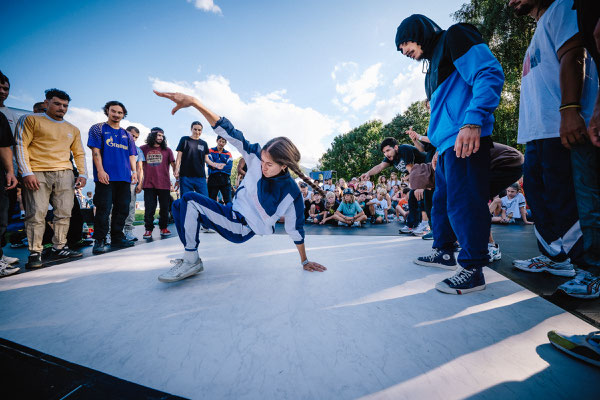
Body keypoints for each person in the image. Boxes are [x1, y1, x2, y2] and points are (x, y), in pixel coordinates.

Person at [153, 90, 326, 282]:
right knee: (179, 206)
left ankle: (191, 259)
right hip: (231, 211)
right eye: (262, 161)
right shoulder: (256, 157)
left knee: (190, 200)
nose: (263, 167)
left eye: (269, 165)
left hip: (240, 226)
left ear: (284, 165)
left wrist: (304, 261)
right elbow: (229, 131)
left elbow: (296, 229)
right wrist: (195, 102)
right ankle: (191, 256)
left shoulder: (292, 193)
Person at [396, 14, 504, 294]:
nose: (404, 51)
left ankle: (473, 269)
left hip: (465, 137)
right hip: (445, 146)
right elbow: (441, 112)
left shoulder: (455, 35)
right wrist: (435, 148)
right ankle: (445, 252)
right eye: (400, 49)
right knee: (442, 202)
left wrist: (473, 120)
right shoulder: (431, 68)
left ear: (418, 32)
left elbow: (487, 72)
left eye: (405, 42)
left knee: (465, 202)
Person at [508, 0, 598, 282]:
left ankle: (589, 269)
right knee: (538, 194)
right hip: (536, 132)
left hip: (559, 126)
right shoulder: (537, 31)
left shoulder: (562, 8)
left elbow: (574, 55)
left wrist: (569, 109)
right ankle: (554, 257)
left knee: (568, 200)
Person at [15, 89, 87, 268]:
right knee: (36, 213)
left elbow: (79, 153)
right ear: (46, 103)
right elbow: (20, 145)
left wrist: (83, 174)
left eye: (65, 106)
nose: (62, 108)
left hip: (65, 173)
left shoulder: (73, 129)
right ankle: (35, 252)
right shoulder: (30, 120)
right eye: (57, 104)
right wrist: (26, 172)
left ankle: (59, 247)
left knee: (64, 213)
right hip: (37, 172)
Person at [88, 100, 137, 254]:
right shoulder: (98, 128)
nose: (116, 115)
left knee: (122, 209)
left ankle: (117, 237)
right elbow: (95, 151)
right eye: (113, 111)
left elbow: (131, 155)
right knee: (103, 208)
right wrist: (100, 171)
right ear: (107, 111)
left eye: (120, 112)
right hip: (106, 177)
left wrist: (134, 172)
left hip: (124, 177)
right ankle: (100, 239)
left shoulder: (127, 135)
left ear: (123, 115)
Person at [140, 127, 175, 239]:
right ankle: (148, 229)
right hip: (148, 184)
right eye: (158, 135)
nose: (161, 137)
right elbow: (138, 165)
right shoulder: (143, 149)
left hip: (164, 184)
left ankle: (163, 227)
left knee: (164, 208)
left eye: (162, 135)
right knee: (149, 208)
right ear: (152, 135)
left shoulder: (167, 150)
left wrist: (177, 177)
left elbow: (174, 166)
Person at [0, 111, 19, 276]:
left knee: (2, 217)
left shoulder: (0, 117)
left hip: (1, 173)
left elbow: (5, 146)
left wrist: (10, 171)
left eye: (5, 87)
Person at [123, 126, 144, 241]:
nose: (134, 138)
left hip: (132, 182)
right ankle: (110, 232)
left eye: (136, 137)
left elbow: (140, 168)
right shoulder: (118, 146)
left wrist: (140, 183)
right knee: (113, 206)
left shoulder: (138, 150)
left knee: (131, 206)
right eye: (132, 135)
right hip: (117, 180)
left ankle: (128, 230)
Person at [207, 135, 233, 204]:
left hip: (225, 178)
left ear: (225, 143)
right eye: (220, 141)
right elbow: (209, 164)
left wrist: (215, 164)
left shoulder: (228, 153)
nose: (221, 143)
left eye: (223, 142)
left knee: (228, 201)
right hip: (213, 178)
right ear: (217, 141)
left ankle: (229, 214)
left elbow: (229, 167)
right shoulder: (210, 150)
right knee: (211, 200)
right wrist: (222, 165)